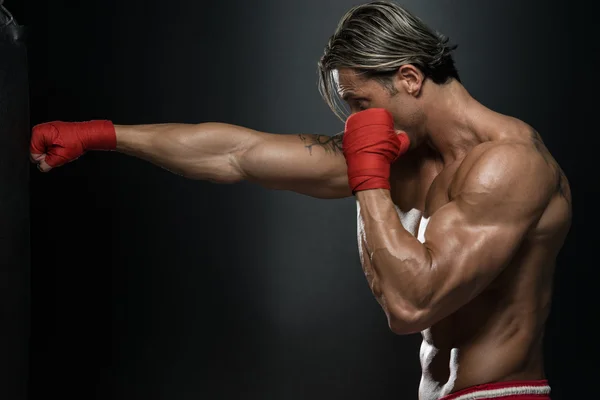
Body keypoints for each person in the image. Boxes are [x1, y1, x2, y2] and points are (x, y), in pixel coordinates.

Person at [29, 2, 570, 399]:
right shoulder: (403, 153)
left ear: (408, 78)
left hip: (501, 394)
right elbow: (239, 153)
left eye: (360, 103)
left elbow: (411, 306)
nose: (354, 122)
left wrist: (369, 176)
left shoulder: (508, 164)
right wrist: (100, 134)